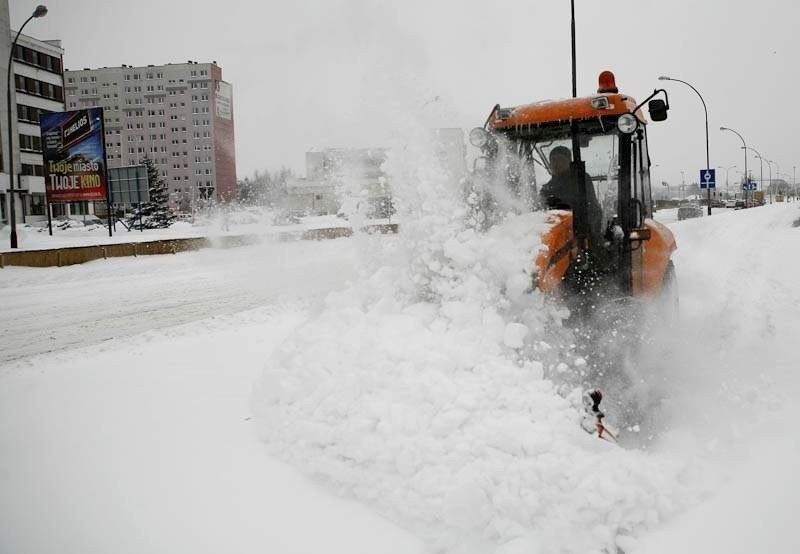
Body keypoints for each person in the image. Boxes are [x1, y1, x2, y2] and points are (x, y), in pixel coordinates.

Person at [538, 145, 602, 237]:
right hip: (556, 231)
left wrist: (557, 201)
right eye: (553, 160)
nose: (556, 163)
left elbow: (586, 203)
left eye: (560, 159)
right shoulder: (547, 187)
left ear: (569, 161)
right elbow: (539, 204)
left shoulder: (581, 179)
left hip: (583, 230)